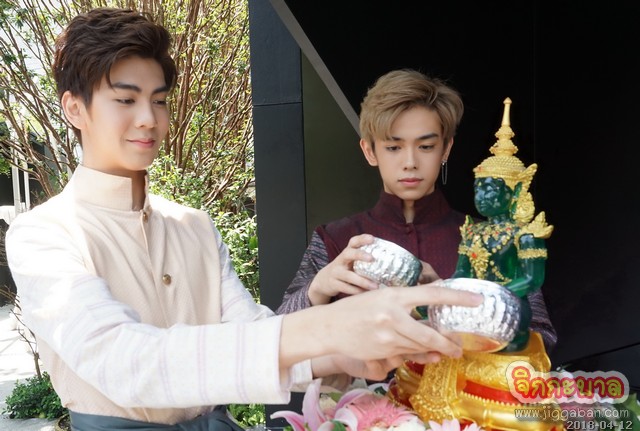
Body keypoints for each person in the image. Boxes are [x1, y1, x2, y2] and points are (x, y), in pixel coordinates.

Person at [5, 8, 483, 431]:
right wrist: (332, 324)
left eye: (160, 99)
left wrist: (354, 354)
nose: (149, 118)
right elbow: (126, 361)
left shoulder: (193, 225)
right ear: (75, 108)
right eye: (126, 100)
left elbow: (252, 330)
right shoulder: (42, 233)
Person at [275, 70, 556, 352]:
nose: (410, 162)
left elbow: (541, 338)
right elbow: (276, 339)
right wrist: (318, 288)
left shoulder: (486, 238)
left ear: (446, 149)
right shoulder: (335, 240)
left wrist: (453, 303)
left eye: (426, 146)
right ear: (370, 151)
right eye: (393, 147)